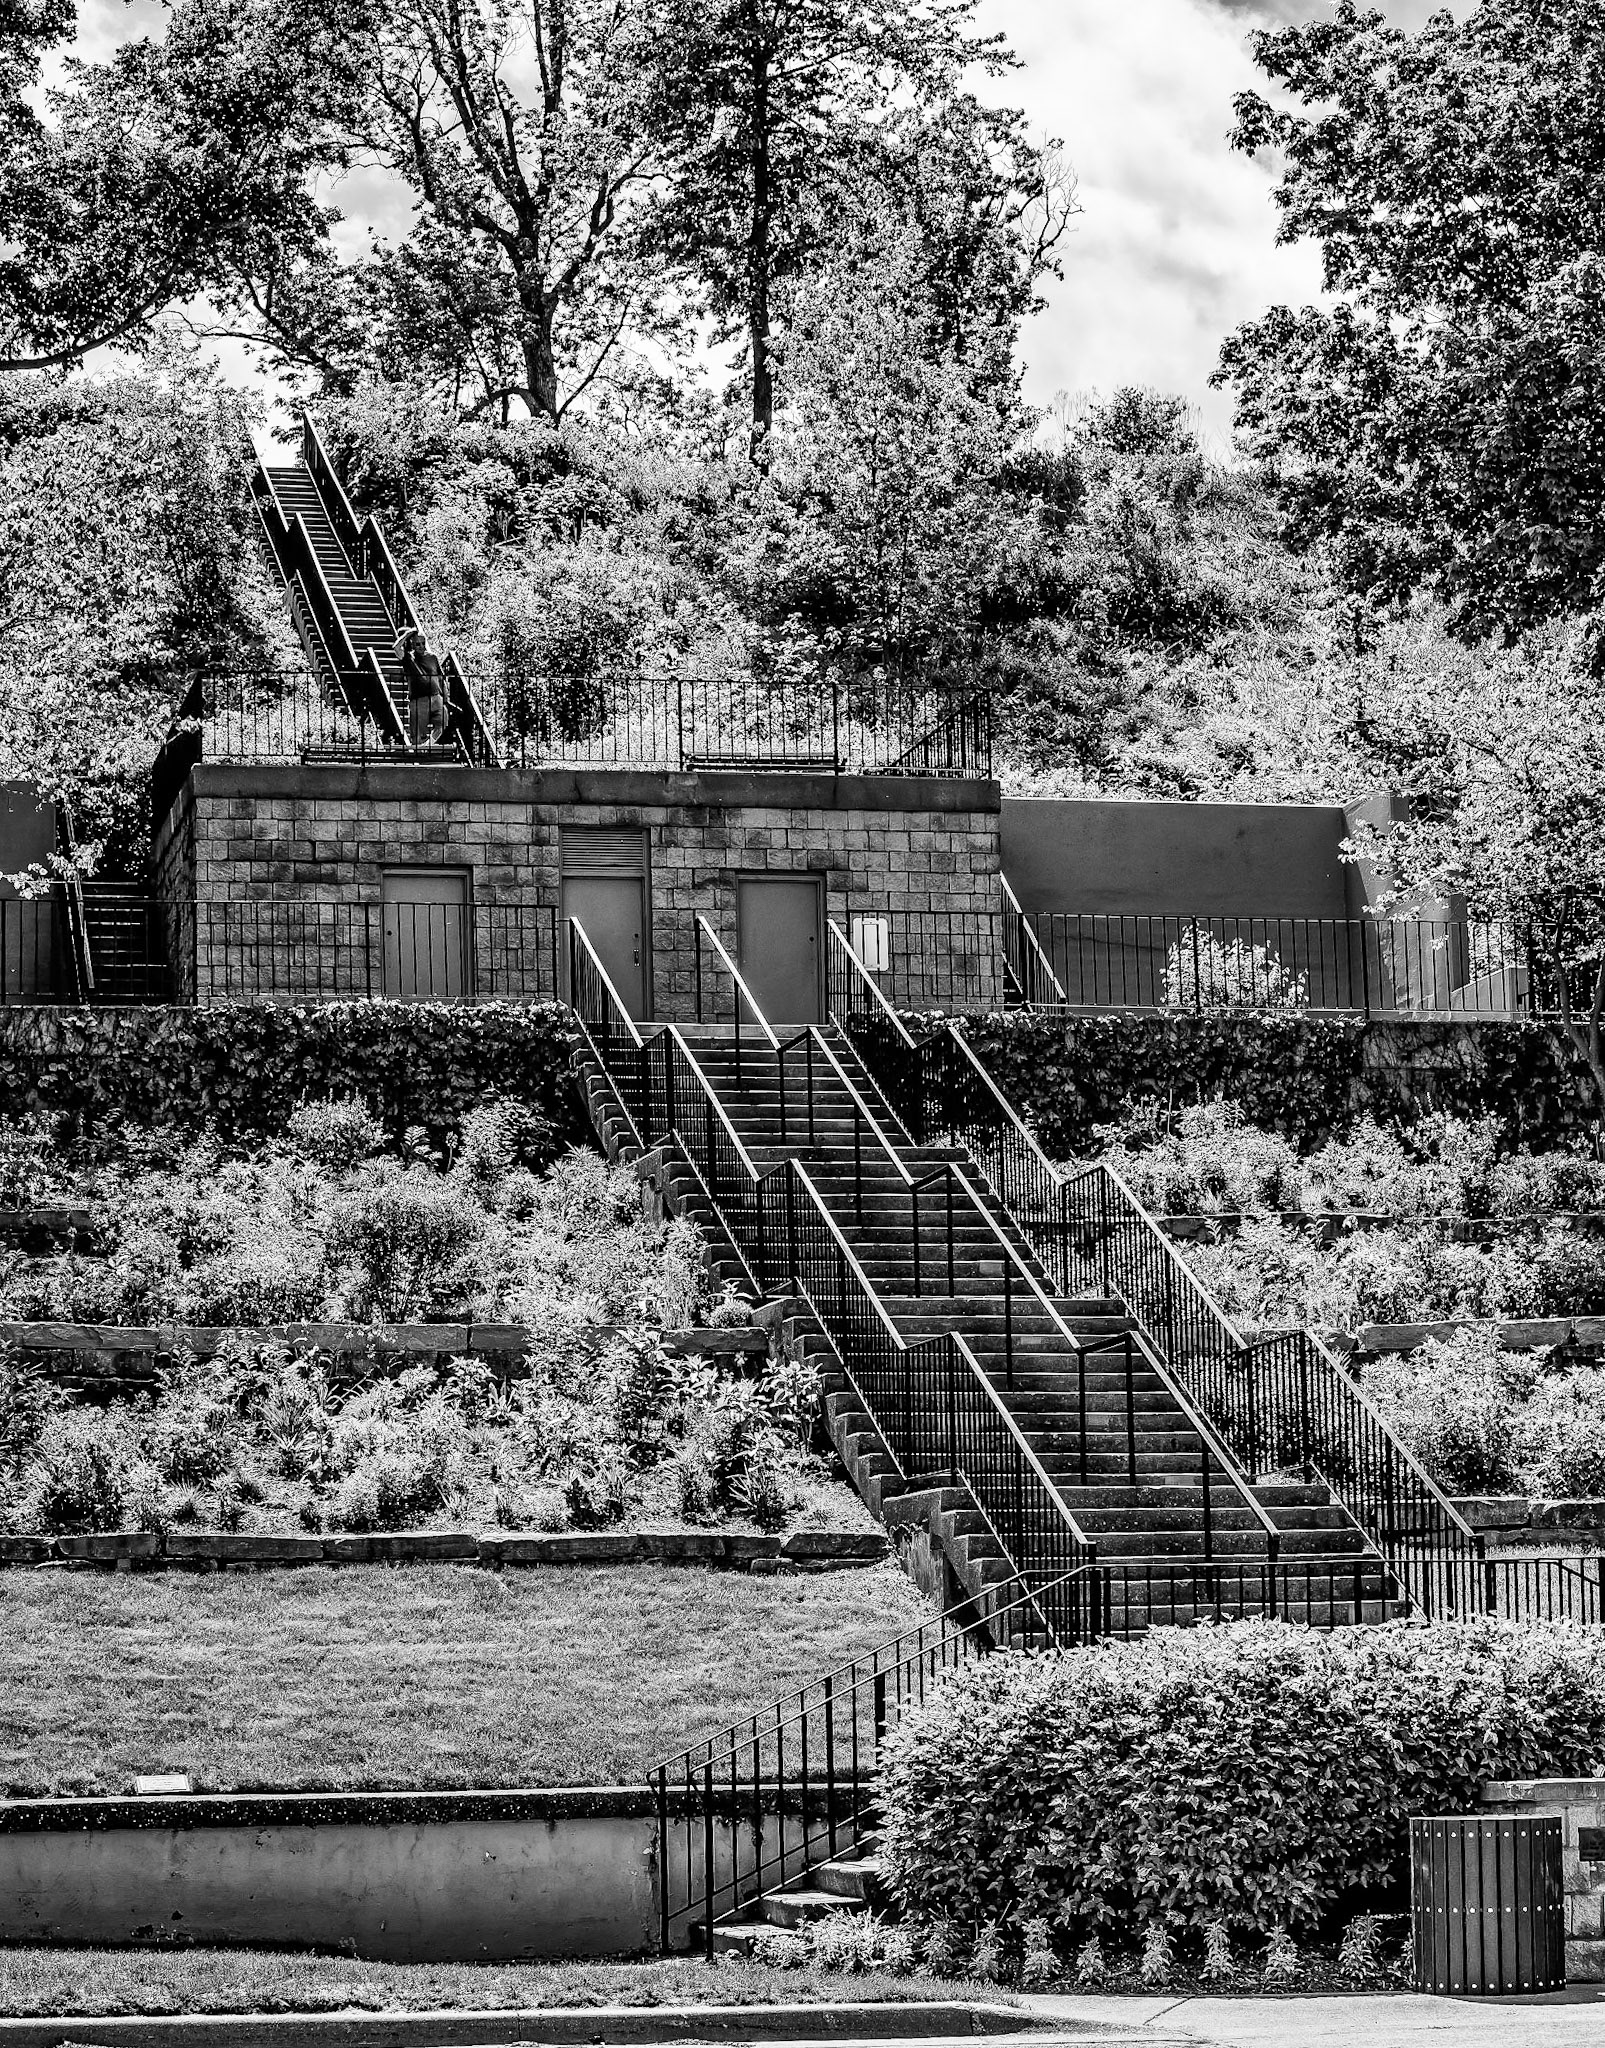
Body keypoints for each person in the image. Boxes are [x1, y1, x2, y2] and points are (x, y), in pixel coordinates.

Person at [399, 628, 448, 749]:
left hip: (436, 696)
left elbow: (441, 678)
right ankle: (418, 757)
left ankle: (428, 746)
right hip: (419, 699)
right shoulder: (409, 658)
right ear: (412, 645)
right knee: (417, 733)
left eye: (423, 643)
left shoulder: (432, 657)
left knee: (442, 724)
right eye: (417, 644)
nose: (421, 646)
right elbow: (396, 648)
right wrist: (407, 634)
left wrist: (445, 697)